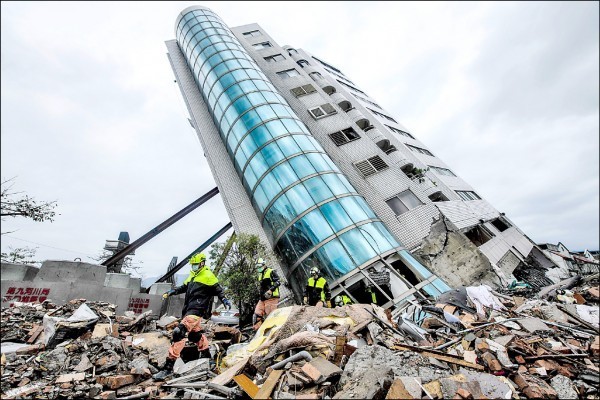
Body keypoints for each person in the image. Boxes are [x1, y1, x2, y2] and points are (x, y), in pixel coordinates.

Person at [153, 252, 232, 380]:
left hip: (197, 310)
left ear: (202, 263)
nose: (193, 266)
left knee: (179, 332)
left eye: (195, 264)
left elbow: (218, 290)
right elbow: (185, 286)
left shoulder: (208, 275)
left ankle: (168, 368)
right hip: (189, 309)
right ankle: (206, 356)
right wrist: (172, 291)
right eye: (193, 265)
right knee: (194, 335)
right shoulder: (193, 275)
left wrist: (225, 300)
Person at [252, 258, 281, 330]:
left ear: (263, 265)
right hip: (262, 298)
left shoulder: (271, 271)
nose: (258, 268)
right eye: (257, 267)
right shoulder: (260, 275)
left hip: (271, 298)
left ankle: (275, 330)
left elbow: (278, 282)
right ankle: (259, 332)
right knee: (256, 315)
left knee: (271, 317)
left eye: (259, 266)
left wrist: (271, 290)